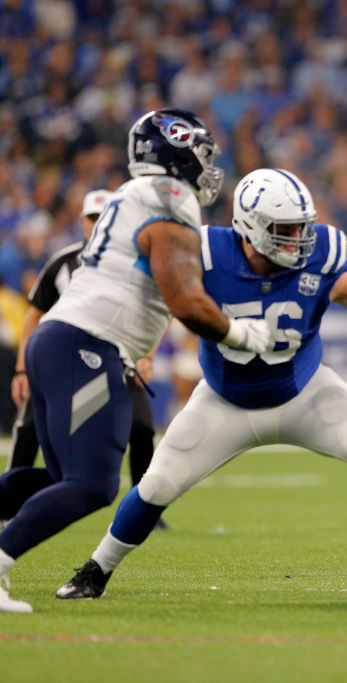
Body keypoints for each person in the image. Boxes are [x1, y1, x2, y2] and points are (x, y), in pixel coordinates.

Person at [55, 167, 347, 601]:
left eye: (303, 226)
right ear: (250, 228)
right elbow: (162, 299)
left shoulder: (322, 252)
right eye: (286, 230)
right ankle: (95, 570)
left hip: (304, 390)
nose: (300, 239)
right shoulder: (202, 251)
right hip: (224, 400)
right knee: (156, 486)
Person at [0, 108, 277, 613]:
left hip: (63, 339)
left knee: (61, 479)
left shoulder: (136, 195)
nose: (207, 165)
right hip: (86, 343)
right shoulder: (168, 198)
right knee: (92, 485)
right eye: (201, 154)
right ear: (175, 153)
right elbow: (185, 301)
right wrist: (244, 334)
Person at [7, 191, 162, 529]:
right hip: (61, 360)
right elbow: (35, 313)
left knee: (142, 427)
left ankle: (143, 508)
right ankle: (10, 508)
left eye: (103, 217)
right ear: (82, 221)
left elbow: (153, 312)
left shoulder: (133, 262)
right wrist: (22, 367)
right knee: (33, 430)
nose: (97, 224)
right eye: (92, 218)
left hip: (116, 361)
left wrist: (146, 355)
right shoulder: (65, 261)